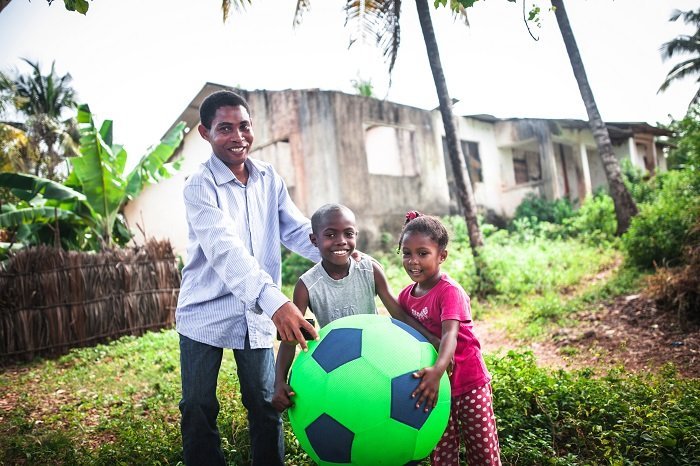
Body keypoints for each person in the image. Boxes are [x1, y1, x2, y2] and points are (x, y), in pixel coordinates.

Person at [176, 90, 323, 466]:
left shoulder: (269, 178)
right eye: (225, 128)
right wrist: (277, 302)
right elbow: (226, 250)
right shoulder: (199, 185)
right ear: (204, 133)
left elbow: (294, 229)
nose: (238, 136)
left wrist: (336, 248)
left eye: (244, 126)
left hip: (255, 313)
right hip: (204, 311)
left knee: (264, 403)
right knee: (198, 406)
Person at [271, 203, 439, 412]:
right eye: (330, 235)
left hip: (375, 359)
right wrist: (279, 382)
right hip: (333, 367)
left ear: (356, 235)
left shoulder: (369, 270)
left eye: (348, 233)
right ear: (314, 240)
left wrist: (430, 340)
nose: (341, 241)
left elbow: (399, 314)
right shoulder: (306, 285)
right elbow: (290, 338)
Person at [397, 211, 501, 466]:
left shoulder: (449, 291)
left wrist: (437, 370)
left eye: (423, 253)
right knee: (441, 454)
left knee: (483, 452)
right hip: (436, 389)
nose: (413, 261)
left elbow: (449, 336)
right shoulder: (405, 297)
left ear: (441, 256)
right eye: (407, 253)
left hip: (469, 383)